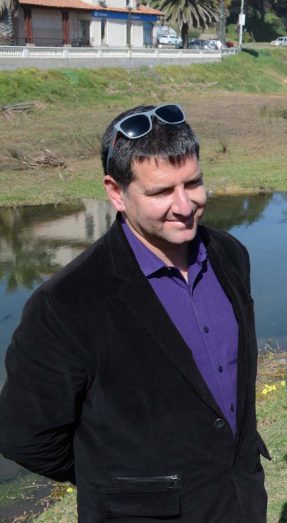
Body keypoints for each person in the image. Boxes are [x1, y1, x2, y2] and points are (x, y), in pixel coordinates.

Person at [0, 104, 268, 521]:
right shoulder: (66, 303)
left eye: (193, 183)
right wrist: (125, 480)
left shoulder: (230, 255)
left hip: (240, 500)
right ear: (115, 192)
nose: (184, 205)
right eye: (161, 192)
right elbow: (25, 437)